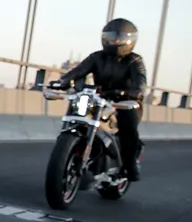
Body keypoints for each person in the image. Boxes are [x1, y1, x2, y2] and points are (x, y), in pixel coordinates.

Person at [48, 18, 147, 181]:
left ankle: (130, 166)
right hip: (98, 98)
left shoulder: (135, 61)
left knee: (128, 130)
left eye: (120, 38)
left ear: (129, 40)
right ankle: (76, 153)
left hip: (124, 102)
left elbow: (140, 85)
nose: (115, 41)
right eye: (111, 37)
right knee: (79, 116)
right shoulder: (97, 57)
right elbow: (79, 70)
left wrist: (129, 93)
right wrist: (62, 81)